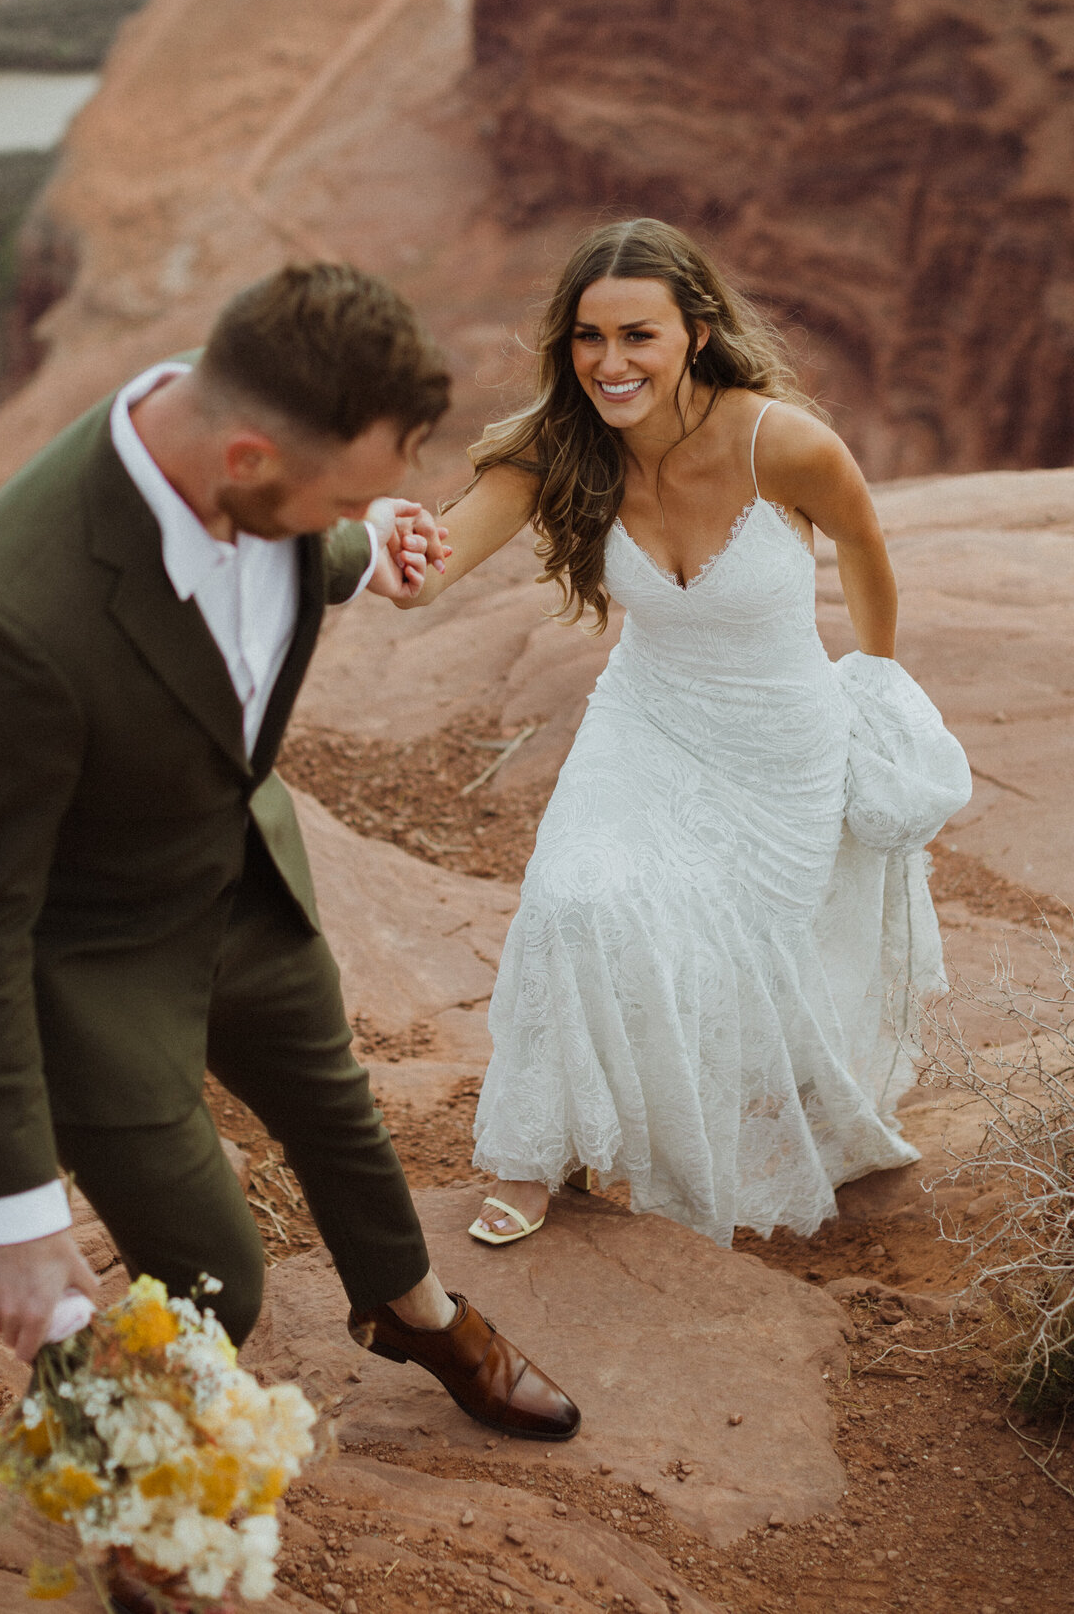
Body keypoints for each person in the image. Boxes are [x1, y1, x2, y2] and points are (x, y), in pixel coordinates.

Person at [0, 263, 579, 1457]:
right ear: (247, 462)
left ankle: (412, 1311)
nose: (343, 520)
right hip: (93, 958)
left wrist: (367, 545)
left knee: (339, 1111)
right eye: (339, 501)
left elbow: (285, 552)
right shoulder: (7, 615)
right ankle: (133, 1501)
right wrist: (7, 1210)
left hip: (242, 878)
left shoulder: (245, 472)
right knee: (216, 1277)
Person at [393, 218, 970, 1249]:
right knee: (575, 901)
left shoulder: (778, 440)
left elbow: (866, 545)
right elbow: (433, 569)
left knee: (725, 954)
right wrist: (384, 547)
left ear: (695, 333)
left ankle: (724, 1126)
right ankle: (537, 1156)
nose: (609, 363)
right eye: (588, 337)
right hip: (645, 717)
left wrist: (875, 684)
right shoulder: (558, 447)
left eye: (637, 336)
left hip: (778, 746)